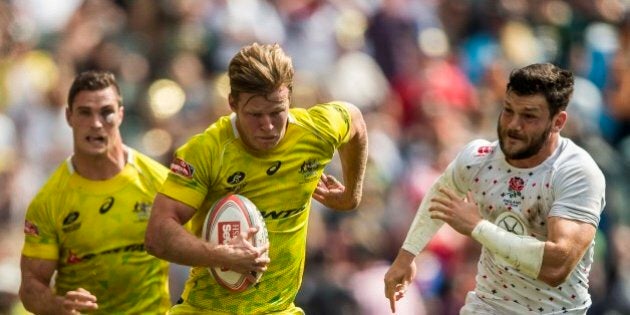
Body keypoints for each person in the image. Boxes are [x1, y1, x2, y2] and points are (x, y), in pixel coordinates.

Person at [145, 42, 368, 314]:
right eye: (255, 114)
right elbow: (157, 233)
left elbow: (354, 120)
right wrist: (219, 255)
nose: (268, 126)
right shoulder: (207, 151)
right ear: (233, 104)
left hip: (279, 309)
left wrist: (351, 196)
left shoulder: (315, 132)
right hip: (206, 309)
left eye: (277, 112)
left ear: (290, 100)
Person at [384, 63, 606, 314]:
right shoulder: (479, 157)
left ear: (558, 122)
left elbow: (556, 267)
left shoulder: (575, 173)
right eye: (508, 111)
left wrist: (479, 228)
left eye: (529, 116)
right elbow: (441, 195)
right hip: (486, 306)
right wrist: (407, 255)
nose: (513, 125)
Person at [19, 70, 171, 314]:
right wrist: (59, 307)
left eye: (106, 112)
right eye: (85, 112)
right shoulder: (49, 201)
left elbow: (200, 242)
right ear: (69, 116)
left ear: (120, 115)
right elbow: (30, 286)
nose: (96, 123)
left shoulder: (159, 183)